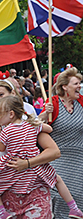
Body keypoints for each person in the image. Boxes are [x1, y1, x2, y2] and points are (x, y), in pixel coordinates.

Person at [0, 79, 61, 218]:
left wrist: (27, 163)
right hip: (8, 198)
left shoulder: (29, 124)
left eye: (1, 95)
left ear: (13, 94)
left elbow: (54, 152)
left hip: (35, 191)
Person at [0, 96, 82, 219]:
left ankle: (1, 212)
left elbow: (1, 148)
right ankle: (73, 207)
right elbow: (49, 129)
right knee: (56, 179)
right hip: (34, 160)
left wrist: (0, 138)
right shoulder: (31, 125)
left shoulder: (6, 131)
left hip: (12, 162)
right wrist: (37, 124)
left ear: (11, 114)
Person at [38, 68, 83, 218]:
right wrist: (44, 114)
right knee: (59, 197)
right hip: (58, 158)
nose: (80, 86)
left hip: (80, 159)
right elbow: (35, 127)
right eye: (76, 83)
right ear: (65, 86)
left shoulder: (81, 103)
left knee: (80, 196)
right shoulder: (53, 103)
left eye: (80, 83)